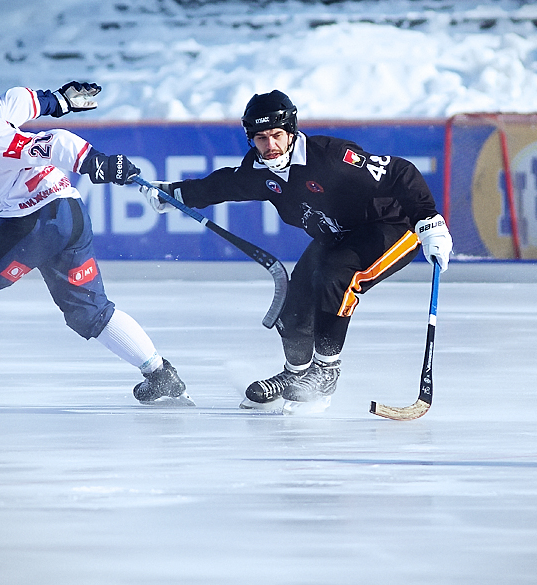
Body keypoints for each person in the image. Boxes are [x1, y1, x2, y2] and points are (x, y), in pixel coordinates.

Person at [142, 89, 452, 413]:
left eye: (277, 135)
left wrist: (428, 218)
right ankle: (295, 375)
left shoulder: (331, 157)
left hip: (390, 227)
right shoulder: (261, 170)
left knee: (335, 275)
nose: (270, 145)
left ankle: (325, 374)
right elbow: (225, 185)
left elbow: (399, 172)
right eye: (261, 138)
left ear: (291, 131)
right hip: (337, 237)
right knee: (294, 306)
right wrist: (176, 194)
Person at [0, 80, 190, 412]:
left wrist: (97, 163)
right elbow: (17, 101)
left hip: (34, 222)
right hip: (70, 214)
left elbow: (54, 142)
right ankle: (160, 374)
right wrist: (56, 100)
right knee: (89, 312)